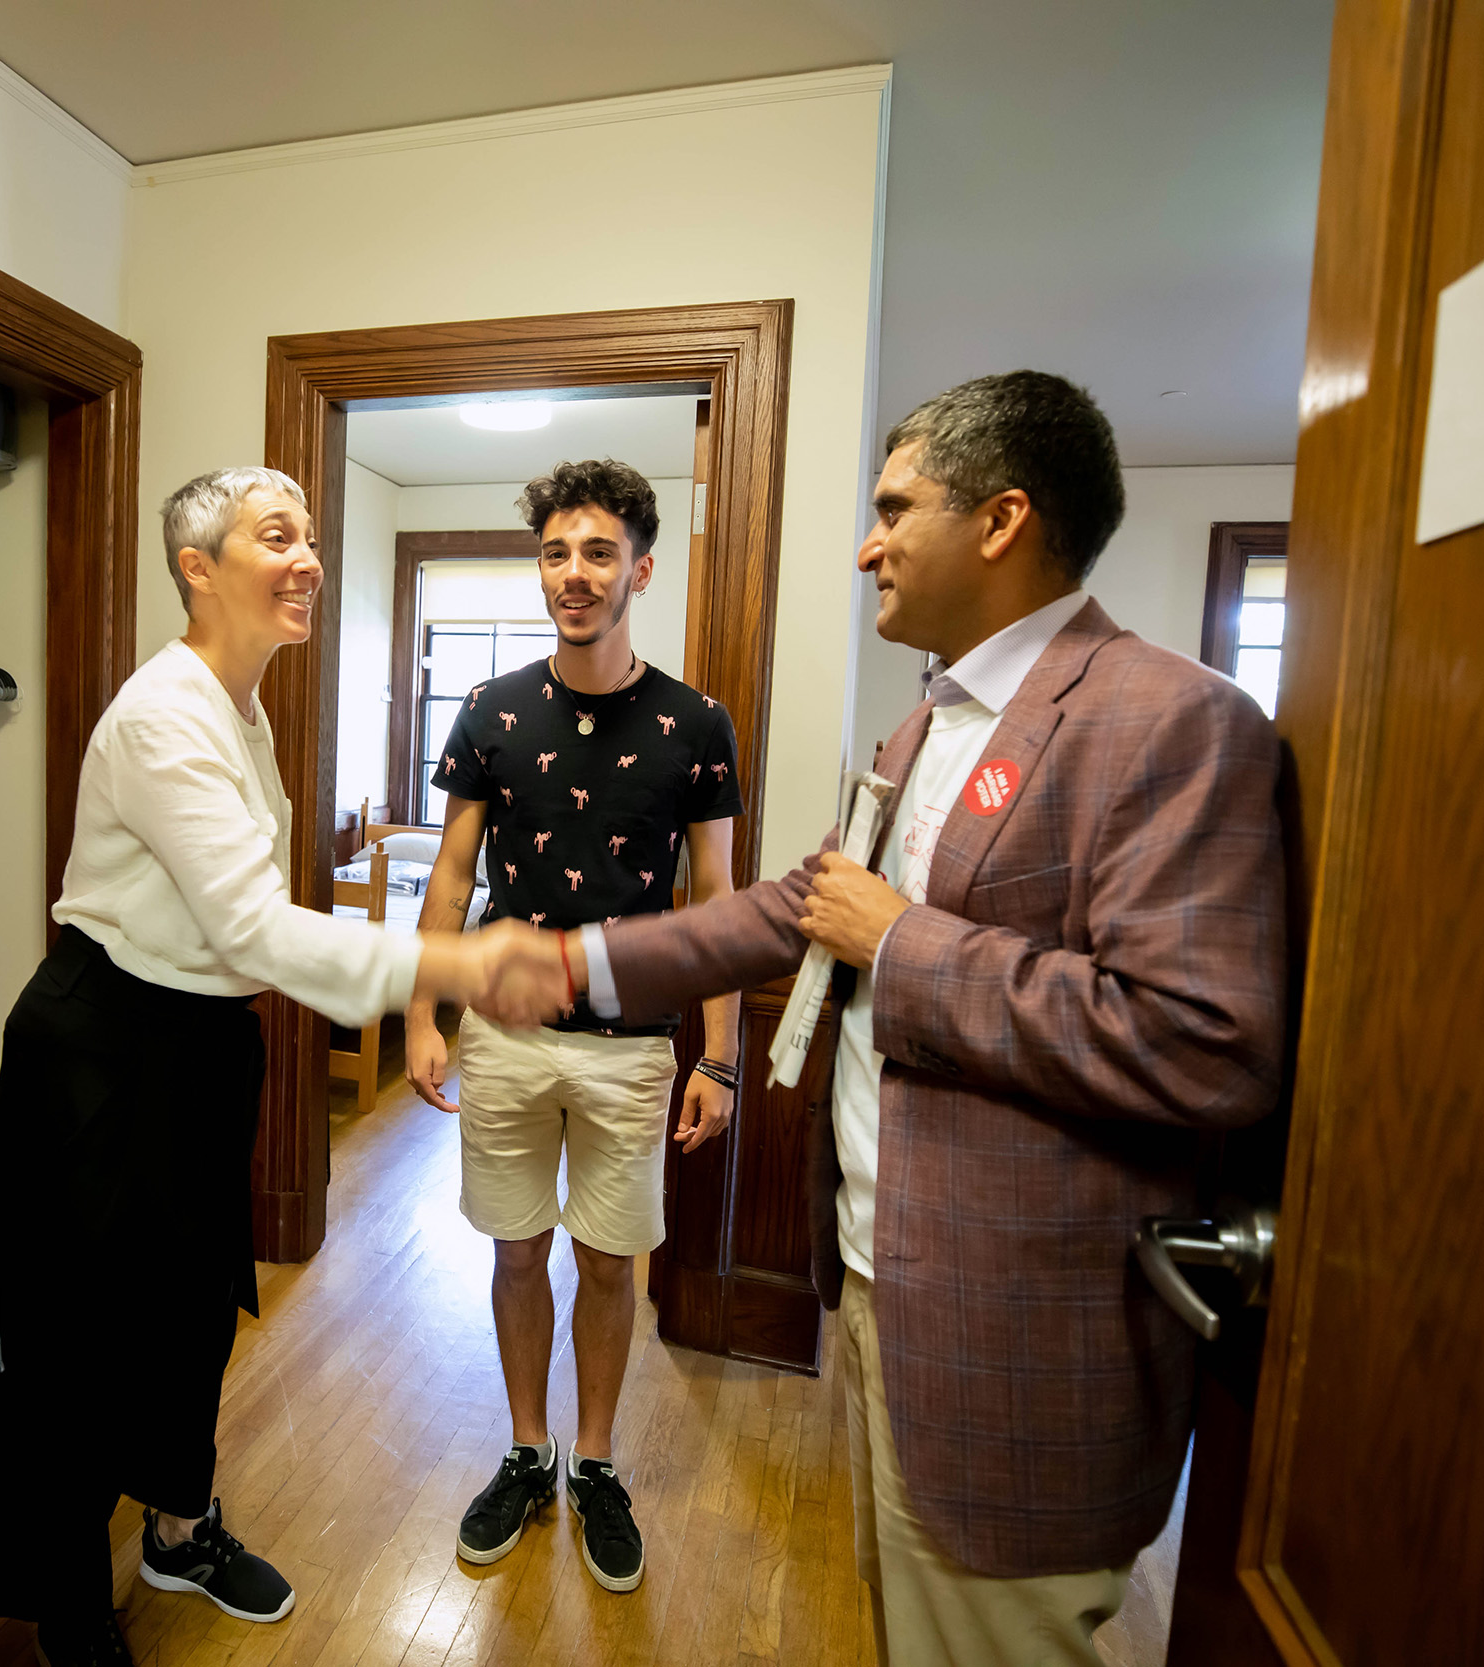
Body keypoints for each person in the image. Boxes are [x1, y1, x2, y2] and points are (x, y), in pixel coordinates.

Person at [491, 371, 1288, 1664]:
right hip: (879, 1279)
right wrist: (577, 962)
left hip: (1011, 1326)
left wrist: (904, 942)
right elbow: (798, 906)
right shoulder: (935, 716)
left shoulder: (1171, 719)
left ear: (1002, 518)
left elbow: (1206, 1040)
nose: (865, 543)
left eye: (892, 508)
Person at [0, 467, 548, 1667]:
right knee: (74, 1340)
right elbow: (252, 925)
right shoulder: (161, 714)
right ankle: (65, 1597)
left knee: (187, 1309)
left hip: (199, 1041)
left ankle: (179, 1524)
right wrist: (454, 962)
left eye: (313, 539)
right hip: (101, 1049)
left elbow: (245, 935)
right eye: (278, 536)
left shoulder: (246, 705)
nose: (309, 558)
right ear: (197, 564)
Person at [402, 459, 743, 1593]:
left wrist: (722, 1061)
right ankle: (524, 1447)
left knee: (607, 1260)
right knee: (514, 1250)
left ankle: (594, 1462)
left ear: (640, 568)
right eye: (556, 552)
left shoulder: (697, 722)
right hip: (502, 1032)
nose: (574, 573)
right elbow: (450, 878)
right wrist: (421, 1014)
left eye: (598, 552)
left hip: (634, 1044)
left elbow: (717, 911)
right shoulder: (492, 710)